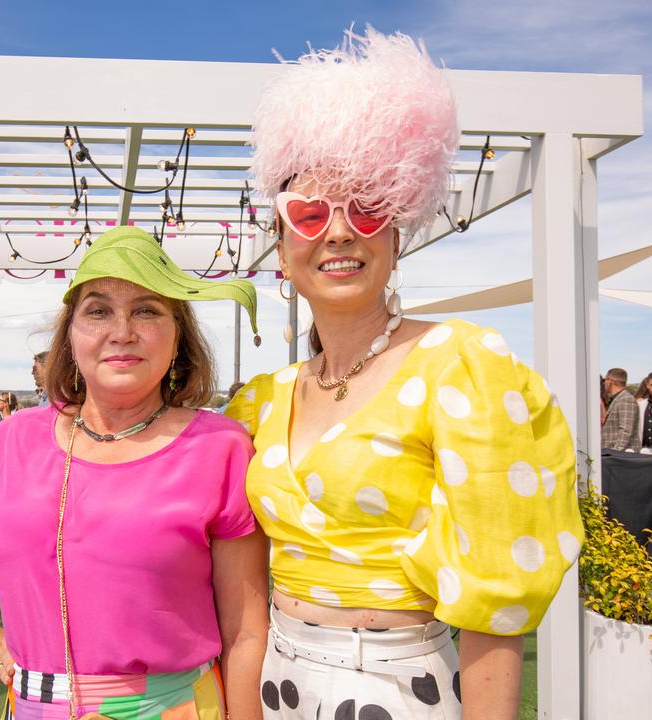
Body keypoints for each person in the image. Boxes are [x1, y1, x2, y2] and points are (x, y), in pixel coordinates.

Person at [227, 28, 582, 719]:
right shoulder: (258, 402)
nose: (337, 233)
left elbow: (494, 603)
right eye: (307, 214)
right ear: (280, 245)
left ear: (399, 232)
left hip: (399, 690)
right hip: (277, 683)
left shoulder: (463, 366)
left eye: (366, 208)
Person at [0, 227, 268, 719]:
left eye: (147, 310)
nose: (122, 331)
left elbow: (246, 630)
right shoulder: (12, 441)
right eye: (98, 311)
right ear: (70, 336)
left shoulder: (220, 448)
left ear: (179, 336)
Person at [602, 368, 641, 451]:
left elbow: (626, 430)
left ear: (610, 381)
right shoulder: (619, 398)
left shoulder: (625, 399)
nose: (604, 383)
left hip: (623, 456)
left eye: (605, 380)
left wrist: (615, 452)